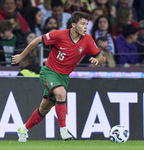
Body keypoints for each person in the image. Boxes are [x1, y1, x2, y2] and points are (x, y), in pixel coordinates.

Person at [11, 11, 104, 142]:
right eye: (82, 24)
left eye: (87, 24)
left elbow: (101, 57)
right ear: (73, 25)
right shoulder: (59, 35)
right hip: (49, 72)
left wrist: (97, 60)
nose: (85, 27)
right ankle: (63, 130)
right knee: (61, 94)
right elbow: (37, 40)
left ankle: (23, 129)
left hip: (64, 77)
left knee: (44, 108)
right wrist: (21, 56)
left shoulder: (88, 40)